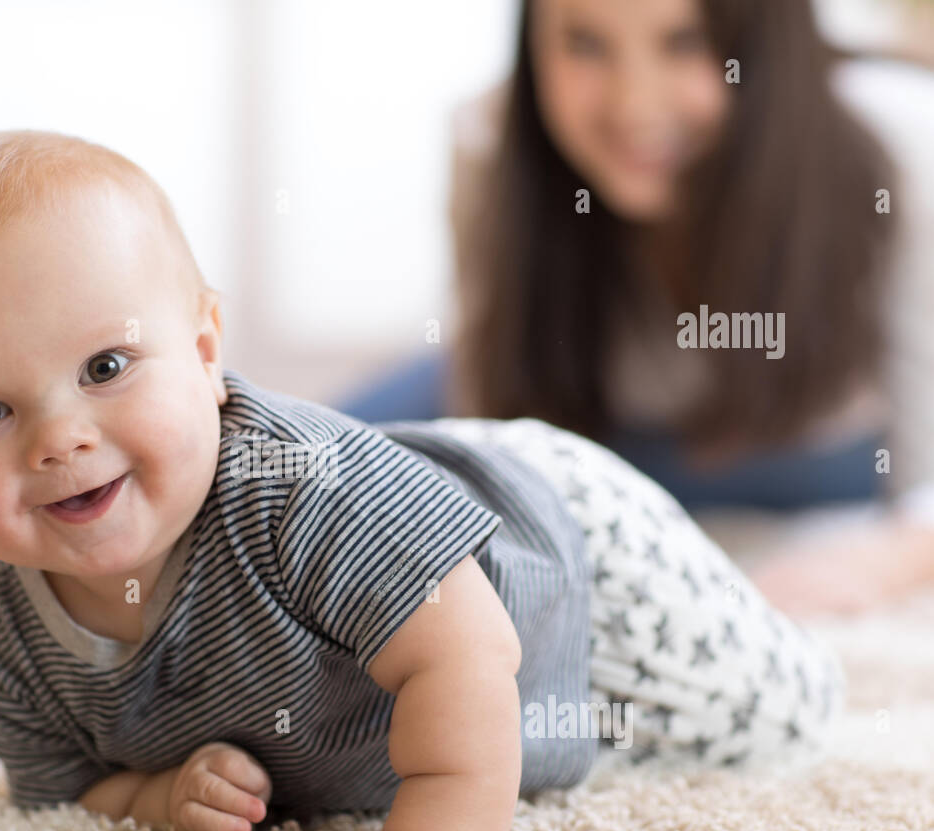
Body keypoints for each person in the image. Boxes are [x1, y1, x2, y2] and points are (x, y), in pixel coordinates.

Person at [0, 130, 845, 831]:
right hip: (440, 654)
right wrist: (158, 795)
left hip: (559, 558)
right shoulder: (10, 655)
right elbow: (63, 789)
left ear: (204, 350)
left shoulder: (297, 490)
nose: (59, 436)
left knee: (781, 715)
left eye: (106, 368)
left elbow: (462, 649)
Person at [337, 0, 934, 617]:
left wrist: (882, 558)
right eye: (586, 44)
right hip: (597, 440)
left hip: (818, 456)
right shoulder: (489, 139)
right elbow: (498, 448)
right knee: (305, 466)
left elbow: (923, 490)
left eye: (683, 42)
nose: (634, 104)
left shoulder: (903, 140)